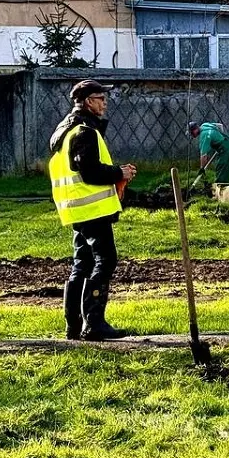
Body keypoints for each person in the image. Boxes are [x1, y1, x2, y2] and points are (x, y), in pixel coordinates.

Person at [49, 80, 137, 340]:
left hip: (76, 209)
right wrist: (119, 173)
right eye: (101, 98)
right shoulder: (84, 131)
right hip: (92, 209)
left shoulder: (65, 130)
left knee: (82, 264)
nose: (105, 103)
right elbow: (89, 171)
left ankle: (73, 326)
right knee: (106, 260)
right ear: (88, 101)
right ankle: (94, 323)